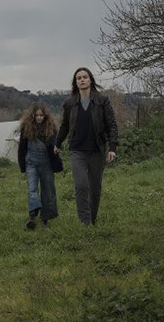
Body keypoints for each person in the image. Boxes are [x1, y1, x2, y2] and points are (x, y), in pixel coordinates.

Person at [55, 67, 118, 226]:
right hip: (77, 150)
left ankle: (92, 219)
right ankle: (85, 222)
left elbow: (111, 125)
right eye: (78, 78)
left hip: (97, 150)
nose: (82, 80)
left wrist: (112, 148)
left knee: (95, 188)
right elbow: (64, 126)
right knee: (81, 186)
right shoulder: (70, 103)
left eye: (85, 77)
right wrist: (57, 143)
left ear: (90, 80)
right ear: (75, 82)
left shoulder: (102, 101)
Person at [18, 103, 63, 230]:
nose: (39, 118)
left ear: (45, 116)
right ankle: (32, 216)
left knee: (47, 192)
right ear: (32, 117)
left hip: (46, 163)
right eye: (36, 115)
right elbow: (22, 147)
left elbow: (57, 144)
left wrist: (57, 149)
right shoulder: (26, 128)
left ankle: (45, 220)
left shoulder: (52, 128)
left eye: (41, 115)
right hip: (31, 162)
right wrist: (22, 165)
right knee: (32, 189)